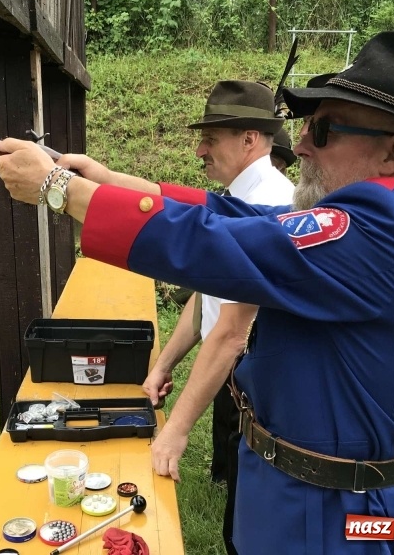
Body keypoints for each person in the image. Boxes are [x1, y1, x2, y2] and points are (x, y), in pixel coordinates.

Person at [0, 30, 394, 554]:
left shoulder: (381, 227)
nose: (301, 143)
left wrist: (60, 189)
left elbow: (212, 243)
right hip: (298, 492)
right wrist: (106, 181)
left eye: (322, 130)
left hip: (334, 515)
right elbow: (231, 214)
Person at [139, 80, 294, 554]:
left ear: (250, 139)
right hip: (228, 377)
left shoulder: (274, 204)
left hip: (252, 379)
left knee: (246, 527)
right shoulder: (237, 200)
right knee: (238, 499)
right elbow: (207, 298)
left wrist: (175, 429)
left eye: (212, 138)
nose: (199, 150)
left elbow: (231, 331)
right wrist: (164, 363)